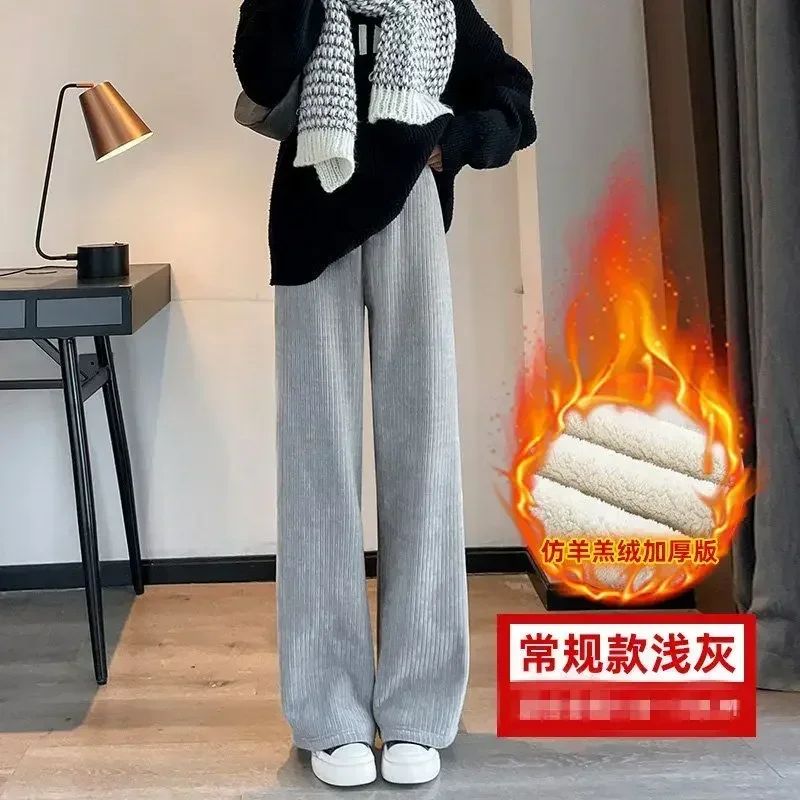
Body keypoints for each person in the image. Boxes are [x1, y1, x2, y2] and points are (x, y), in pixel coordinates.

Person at [234, 0, 536, 787]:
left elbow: (511, 93)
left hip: (409, 213)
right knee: (317, 466)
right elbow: (261, 72)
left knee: (423, 454)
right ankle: (327, 711)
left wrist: (454, 142)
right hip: (311, 212)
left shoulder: (437, 4)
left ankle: (418, 708)